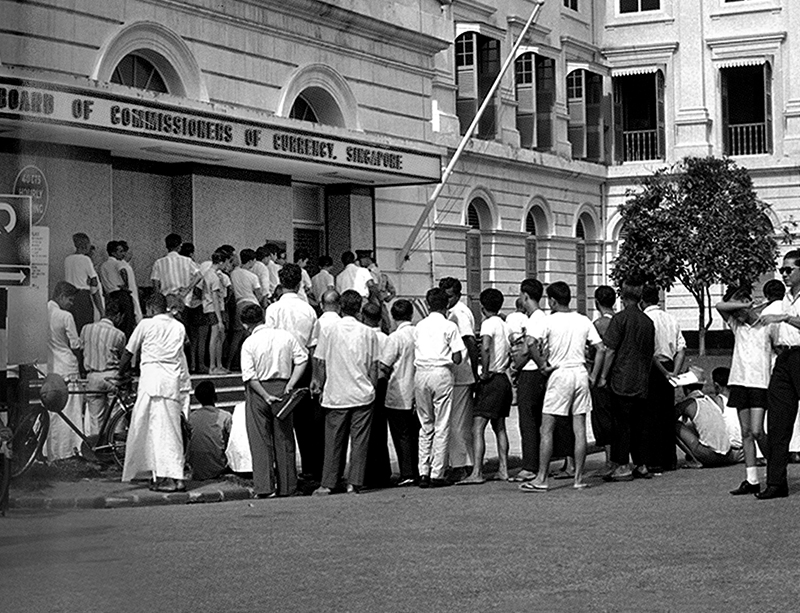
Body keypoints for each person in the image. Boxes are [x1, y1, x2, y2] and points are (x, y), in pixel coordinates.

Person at [521, 281, 601, 492]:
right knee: (579, 428)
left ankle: (542, 477)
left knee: (546, 428)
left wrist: (541, 365)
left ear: (553, 301)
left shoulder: (549, 321)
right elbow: (600, 348)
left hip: (560, 372)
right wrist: (593, 374)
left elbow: (530, 343)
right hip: (580, 372)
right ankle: (578, 478)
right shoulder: (583, 320)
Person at [118, 293, 190, 492]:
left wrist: (119, 373)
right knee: (170, 430)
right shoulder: (179, 327)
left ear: (149, 309)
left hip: (150, 380)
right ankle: (170, 475)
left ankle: (167, 477)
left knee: (150, 429)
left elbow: (128, 352)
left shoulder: (146, 324)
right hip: (171, 382)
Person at [311, 289, 379, 495]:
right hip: (362, 391)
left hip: (337, 393)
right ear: (359, 309)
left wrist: (319, 383)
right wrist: (372, 387)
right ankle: (354, 482)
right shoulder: (368, 332)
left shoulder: (329, 330)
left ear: (340, 307)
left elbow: (320, 361)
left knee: (333, 441)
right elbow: (374, 366)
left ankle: (328, 482)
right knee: (359, 441)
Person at [240, 303, 308, 497]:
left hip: (259, 391)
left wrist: (264, 394)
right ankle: (288, 486)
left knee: (260, 441)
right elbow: (302, 358)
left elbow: (249, 375)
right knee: (284, 437)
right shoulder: (285, 336)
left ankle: (265, 487)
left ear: (245, 325)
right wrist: (291, 383)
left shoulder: (249, 344)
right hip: (283, 386)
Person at [717, 287, 775, 495]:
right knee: (746, 433)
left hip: (760, 382)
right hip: (739, 381)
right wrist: (742, 307)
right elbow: (720, 306)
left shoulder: (766, 325)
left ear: (748, 301)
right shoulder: (736, 324)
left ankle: (775, 469)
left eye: (739, 307)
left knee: (758, 430)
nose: (736, 314)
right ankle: (751, 479)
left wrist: (751, 309)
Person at [596, 279, 655, 482]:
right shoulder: (647, 322)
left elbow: (610, 349)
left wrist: (602, 376)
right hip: (641, 378)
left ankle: (622, 464)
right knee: (640, 423)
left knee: (621, 424)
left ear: (623, 296)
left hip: (622, 378)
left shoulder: (620, 319)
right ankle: (642, 463)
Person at [265, 263, 320, 481]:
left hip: (279, 367)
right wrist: (316, 375)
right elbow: (313, 346)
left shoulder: (273, 310)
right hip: (304, 367)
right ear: (299, 284)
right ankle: (310, 468)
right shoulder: (308, 310)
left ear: (280, 284)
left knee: (280, 421)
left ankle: (285, 470)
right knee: (306, 423)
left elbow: (268, 340)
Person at [459, 288, 512, 484]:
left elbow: (486, 346)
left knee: (477, 426)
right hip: (503, 378)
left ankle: (477, 472)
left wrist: (485, 371)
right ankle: (504, 469)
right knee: (500, 426)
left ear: (482, 307)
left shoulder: (489, 324)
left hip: (492, 378)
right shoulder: (505, 324)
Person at [413, 287, 465, 488]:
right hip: (441, 373)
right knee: (442, 424)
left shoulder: (420, 326)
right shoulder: (449, 326)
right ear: (447, 305)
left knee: (425, 424)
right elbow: (458, 356)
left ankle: (423, 471)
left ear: (428, 304)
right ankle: (437, 472)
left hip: (421, 373)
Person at [642, 284, 686, 473]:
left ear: (643, 301)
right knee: (666, 413)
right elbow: (681, 348)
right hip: (669, 364)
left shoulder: (645, 320)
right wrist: (674, 371)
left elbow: (649, 352)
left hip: (653, 368)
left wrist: (663, 371)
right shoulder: (671, 319)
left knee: (651, 414)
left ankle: (654, 459)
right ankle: (670, 459)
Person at [439, 276, 479, 482]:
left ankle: (459, 464)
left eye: (450, 296)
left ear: (458, 295)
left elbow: (470, 342)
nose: (446, 300)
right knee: (461, 421)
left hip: (461, 373)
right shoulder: (453, 312)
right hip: (458, 374)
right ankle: (467, 460)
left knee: (456, 422)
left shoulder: (459, 314)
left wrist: (475, 371)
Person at [379, 299, 419, 486]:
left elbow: (385, 365)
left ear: (394, 317)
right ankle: (418, 468)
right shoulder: (418, 334)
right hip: (417, 389)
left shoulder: (395, 338)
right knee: (416, 433)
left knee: (401, 434)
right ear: (411, 315)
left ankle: (407, 472)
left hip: (398, 390)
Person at [510, 278, 546, 482]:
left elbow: (529, 346)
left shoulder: (534, 319)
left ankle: (530, 465)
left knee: (528, 421)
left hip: (531, 372)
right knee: (537, 420)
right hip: (537, 373)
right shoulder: (542, 317)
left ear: (525, 296)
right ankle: (538, 462)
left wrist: (516, 365)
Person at [674, 368, 744, 468]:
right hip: (728, 452)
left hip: (710, 456)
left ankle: (695, 460)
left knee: (672, 425)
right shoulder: (709, 401)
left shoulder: (686, 404)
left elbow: (667, 418)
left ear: (686, 388)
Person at [47, 281, 84, 461]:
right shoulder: (65, 316)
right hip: (67, 366)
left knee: (52, 411)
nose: (71, 303)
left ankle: (51, 451)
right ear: (61, 297)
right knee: (71, 409)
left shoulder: (41, 313)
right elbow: (75, 344)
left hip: (50, 369)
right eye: (70, 299)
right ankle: (71, 448)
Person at [80, 297, 126, 436]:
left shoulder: (86, 329)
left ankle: (96, 449)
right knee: (117, 415)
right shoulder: (119, 334)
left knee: (95, 417)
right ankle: (117, 446)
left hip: (92, 376)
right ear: (118, 316)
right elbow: (123, 356)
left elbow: (81, 348)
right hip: (111, 376)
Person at [362, 301, 392, 488]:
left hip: (366, 382)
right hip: (383, 383)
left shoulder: (363, 337)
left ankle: (368, 472)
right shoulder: (386, 339)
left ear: (363, 318)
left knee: (366, 431)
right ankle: (383, 471)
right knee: (381, 430)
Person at [589, 285, 616, 472]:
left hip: (601, 378)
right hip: (619, 376)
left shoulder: (598, 325)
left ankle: (609, 459)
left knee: (603, 418)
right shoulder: (619, 321)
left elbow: (597, 352)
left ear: (597, 302)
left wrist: (596, 376)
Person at [187, 380, 233, 481]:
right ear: (215, 396)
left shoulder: (192, 417)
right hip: (218, 466)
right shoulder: (225, 416)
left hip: (196, 468)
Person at [227, 248, 263, 371]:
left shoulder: (233, 273)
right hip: (252, 304)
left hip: (239, 304)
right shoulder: (253, 276)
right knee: (252, 336)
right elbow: (259, 294)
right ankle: (250, 365)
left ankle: (229, 364)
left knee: (236, 336)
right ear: (252, 261)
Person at [64, 232, 104, 332]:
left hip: (69, 295)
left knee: (73, 325)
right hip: (83, 295)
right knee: (85, 326)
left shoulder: (67, 260)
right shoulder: (85, 259)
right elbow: (94, 280)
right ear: (85, 244)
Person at [149, 233, 200, 310]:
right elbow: (199, 275)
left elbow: (155, 284)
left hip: (167, 301)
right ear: (180, 246)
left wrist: (159, 300)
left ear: (166, 246)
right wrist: (188, 289)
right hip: (184, 300)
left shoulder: (158, 263)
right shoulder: (187, 261)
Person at [198, 251, 229, 375]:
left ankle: (219, 365)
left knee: (219, 337)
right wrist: (219, 319)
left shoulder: (209, 274)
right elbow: (215, 299)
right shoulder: (214, 277)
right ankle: (212, 366)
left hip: (211, 307)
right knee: (215, 337)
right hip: (213, 308)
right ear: (221, 262)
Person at [99, 240, 136, 337]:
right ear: (113, 253)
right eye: (120, 251)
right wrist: (126, 285)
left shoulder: (103, 266)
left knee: (114, 322)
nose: (123, 254)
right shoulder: (118, 263)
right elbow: (123, 271)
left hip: (110, 296)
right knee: (127, 321)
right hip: (121, 294)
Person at [712, 366, 744, 459]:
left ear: (716, 385)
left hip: (731, 450)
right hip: (746, 448)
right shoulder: (741, 398)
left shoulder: (718, 401)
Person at [117, 240, 143, 327]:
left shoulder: (126, 264)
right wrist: (126, 285)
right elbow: (123, 273)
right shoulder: (120, 264)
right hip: (129, 293)